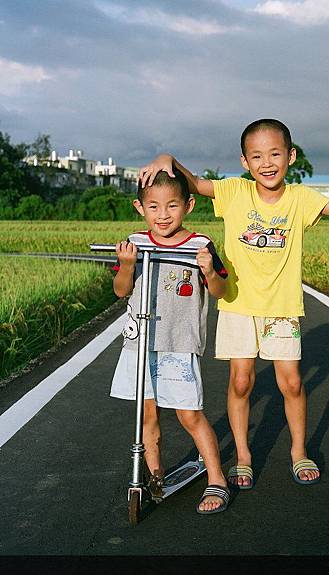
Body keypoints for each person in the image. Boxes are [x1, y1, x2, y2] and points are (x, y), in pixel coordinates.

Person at [139, 118, 329, 489]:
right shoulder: (234, 192)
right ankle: (244, 456)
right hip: (236, 304)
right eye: (257, 156)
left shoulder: (299, 198)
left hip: (281, 307)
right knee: (242, 380)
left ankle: (299, 450)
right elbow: (196, 184)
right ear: (245, 161)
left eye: (275, 154)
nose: (267, 162)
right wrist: (169, 157)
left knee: (292, 383)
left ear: (291, 156)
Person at [110, 168, 230, 514]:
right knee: (146, 415)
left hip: (178, 342)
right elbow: (121, 291)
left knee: (189, 415)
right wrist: (127, 266)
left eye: (172, 206)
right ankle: (155, 476)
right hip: (140, 342)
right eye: (154, 207)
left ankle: (217, 478)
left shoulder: (199, 245)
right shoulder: (135, 242)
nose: (163, 215)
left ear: (188, 206)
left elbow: (221, 291)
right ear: (140, 207)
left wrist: (208, 271)